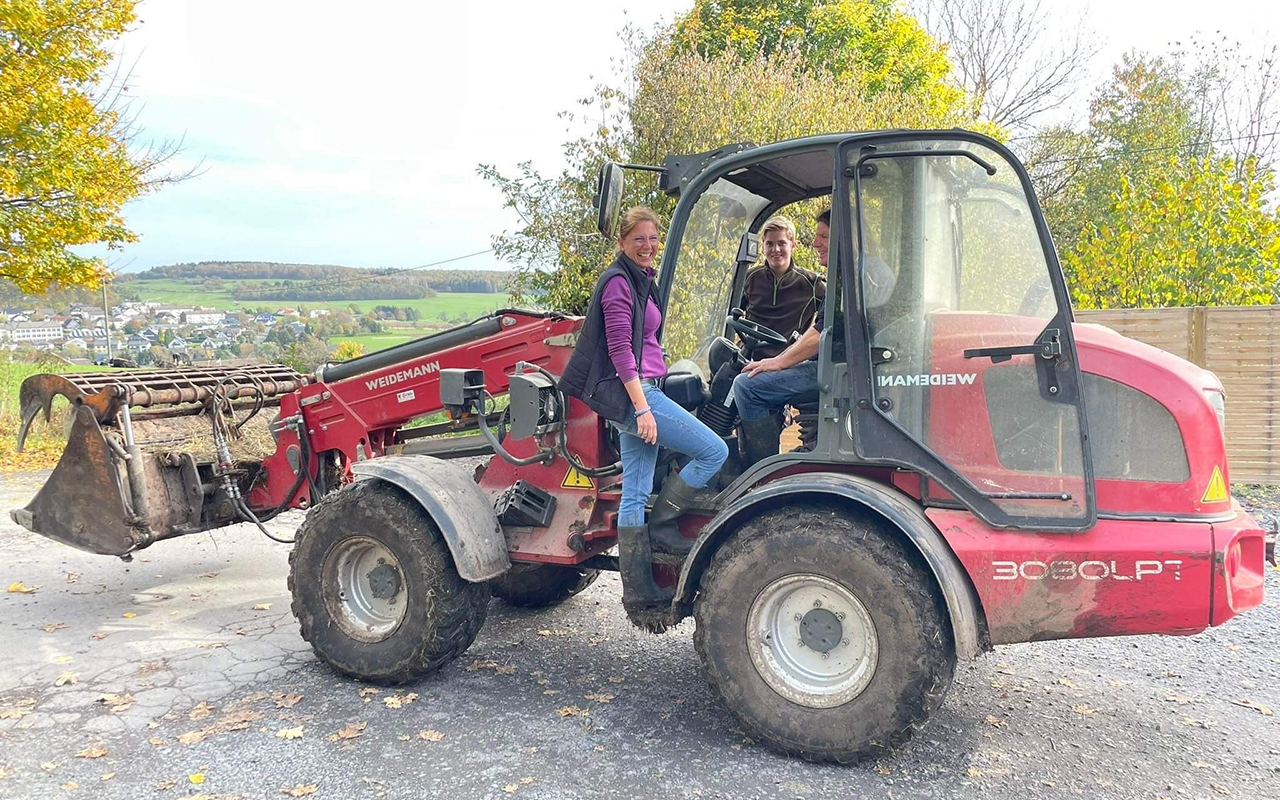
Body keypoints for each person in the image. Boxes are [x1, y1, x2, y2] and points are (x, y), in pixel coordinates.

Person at [560, 207, 729, 616]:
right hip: (638, 396)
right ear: (621, 242)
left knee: (635, 489)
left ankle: (639, 593)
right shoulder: (619, 284)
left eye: (653, 238)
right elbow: (620, 351)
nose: (648, 246)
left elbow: (644, 338)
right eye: (639, 239)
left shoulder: (640, 280)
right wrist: (642, 409)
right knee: (714, 451)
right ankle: (665, 526)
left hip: (644, 390)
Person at [731, 208, 893, 466]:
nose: (816, 243)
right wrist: (782, 359)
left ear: (847, 237)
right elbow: (820, 327)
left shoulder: (851, 277)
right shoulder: (861, 270)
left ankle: (761, 469)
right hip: (844, 366)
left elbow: (820, 336)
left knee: (746, 386)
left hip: (840, 371)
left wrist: (778, 362)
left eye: (825, 237)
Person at [739, 215, 825, 360]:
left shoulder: (812, 283)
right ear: (763, 246)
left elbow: (827, 322)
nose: (775, 249)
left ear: (793, 245)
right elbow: (733, 314)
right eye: (770, 244)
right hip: (750, 357)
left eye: (781, 243)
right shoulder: (749, 277)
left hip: (788, 362)